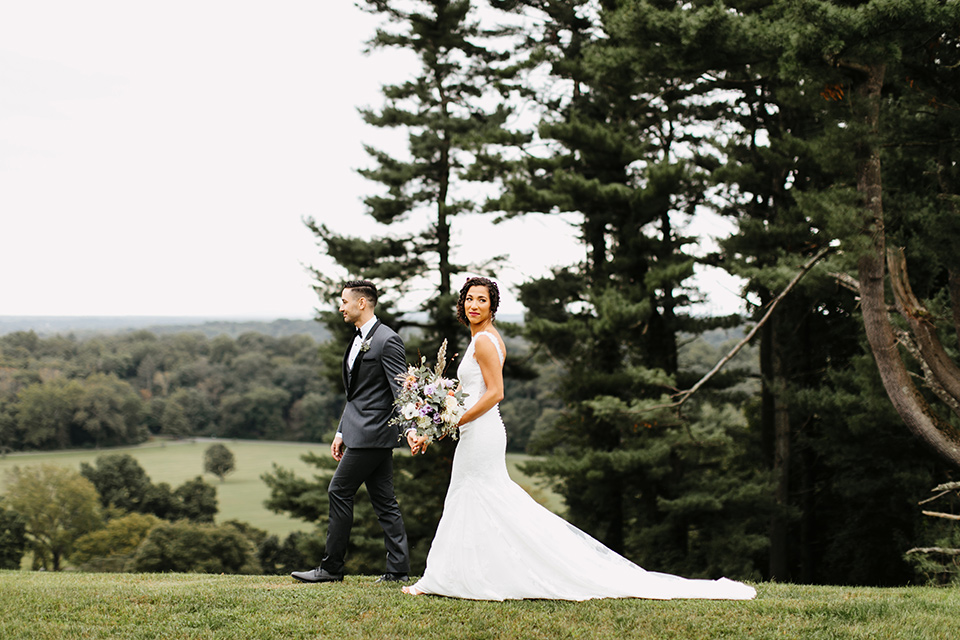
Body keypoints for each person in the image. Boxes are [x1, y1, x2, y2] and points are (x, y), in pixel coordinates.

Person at [402, 276, 757, 601]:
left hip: (482, 432)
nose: (474, 305)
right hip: (473, 430)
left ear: (493, 306)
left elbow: (495, 393)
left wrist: (455, 418)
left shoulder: (484, 342)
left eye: (481, 299)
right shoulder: (481, 339)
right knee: (475, 499)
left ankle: (447, 578)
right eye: (469, 299)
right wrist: (435, 420)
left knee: (475, 496)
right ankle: (462, 575)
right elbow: (463, 394)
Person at [292, 280, 413, 584]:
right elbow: (356, 395)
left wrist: (411, 428)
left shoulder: (387, 340)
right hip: (358, 431)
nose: (340, 307)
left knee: (339, 490)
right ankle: (398, 571)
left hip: (373, 434)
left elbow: (400, 390)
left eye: (344, 302)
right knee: (385, 501)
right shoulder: (359, 338)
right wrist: (341, 431)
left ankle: (331, 568)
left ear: (362, 303)